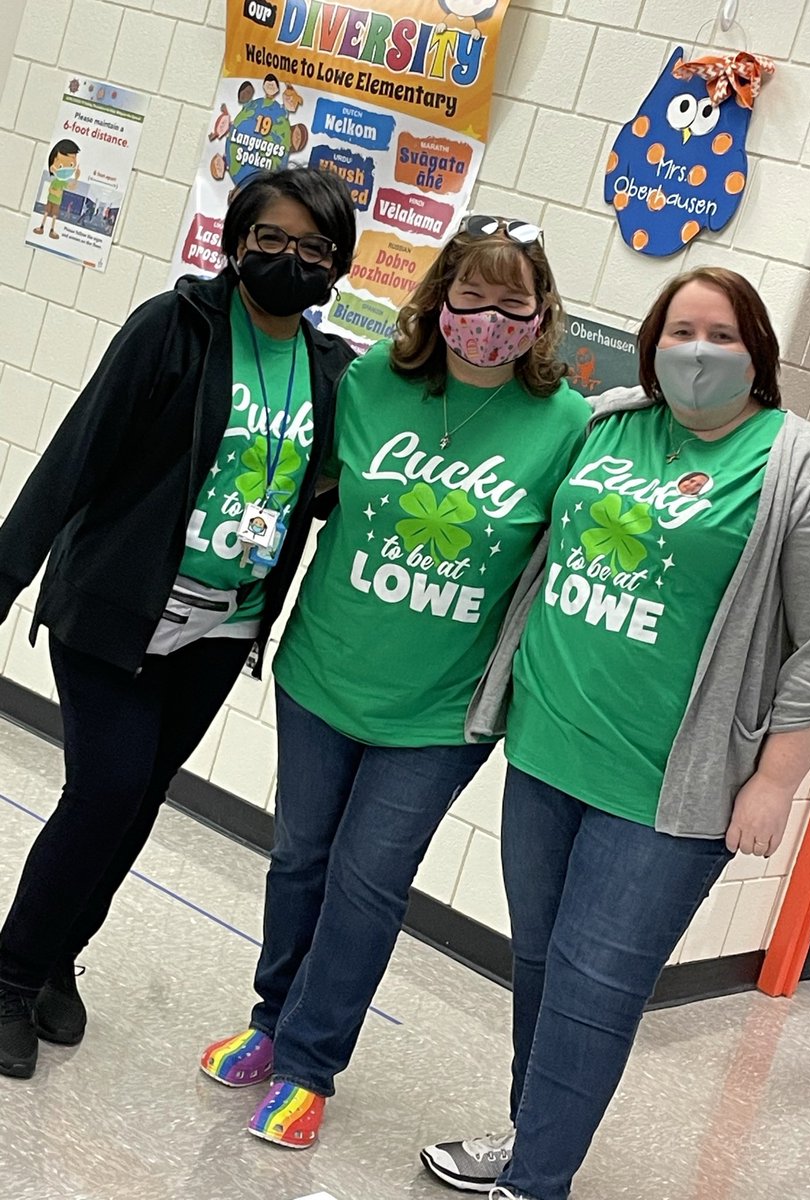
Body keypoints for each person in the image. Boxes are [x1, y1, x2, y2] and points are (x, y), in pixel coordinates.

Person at [420, 267, 810, 1200]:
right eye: (679, 332)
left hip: (668, 789)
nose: (697, 352)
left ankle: (537, 1181)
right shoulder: (612, 422)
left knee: (594, 990)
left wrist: (774, 783)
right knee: (545, 968)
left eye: (720, 334)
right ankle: (527, 1140)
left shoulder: (803, 467)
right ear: (650, 345)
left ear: (758, 352)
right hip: (548, 752)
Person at [200, 215, 590, 1148]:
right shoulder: (373, 379)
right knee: (299, 859)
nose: (489, 319)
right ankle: (270, 1022)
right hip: (325, 670)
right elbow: (302, 485)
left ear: (541, 317)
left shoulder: (570, 425)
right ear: (439, 300)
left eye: (513, 304)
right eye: (472, 298)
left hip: (441, 711)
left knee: (369, 881)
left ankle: (309, 1067)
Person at [0, 166, 357, 1080]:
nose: (289, 259)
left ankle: (55, 961)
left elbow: (318, 490)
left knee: (136, 802)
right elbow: (79, 453)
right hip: (118, 607)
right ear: (237, 242)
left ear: (337, 266)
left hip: (221, 629)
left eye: (313, 248)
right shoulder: (177, 326)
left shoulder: (331, 371)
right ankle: (8, 975)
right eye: (270, 239)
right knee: (106, 791)